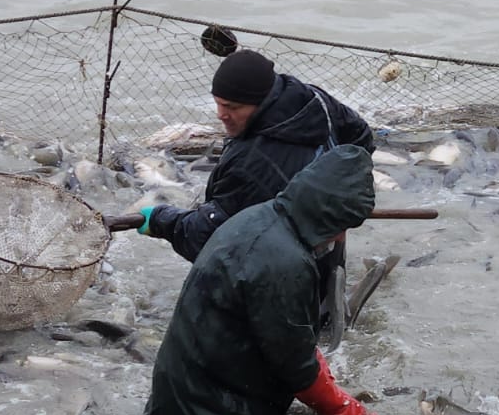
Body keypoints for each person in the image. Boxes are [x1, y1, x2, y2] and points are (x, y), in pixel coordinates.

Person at [138, 143, 378, 415]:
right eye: (343, 224)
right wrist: (343, 409)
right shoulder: (286, 262)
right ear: (327, 214)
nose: (341, 236)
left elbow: (279, 331)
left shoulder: (259, 217)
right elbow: (296, 366)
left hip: (177, 397)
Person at [127, 48, 375, 263]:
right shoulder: (313, 99)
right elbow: (361, 137)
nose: (220, 115)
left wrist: (160, 219)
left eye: (232, 107)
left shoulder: (251, 163)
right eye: (218, 103)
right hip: (324, 247)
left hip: (274, 269)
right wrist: (337, 206)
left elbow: (209, 240)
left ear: (263, 101)